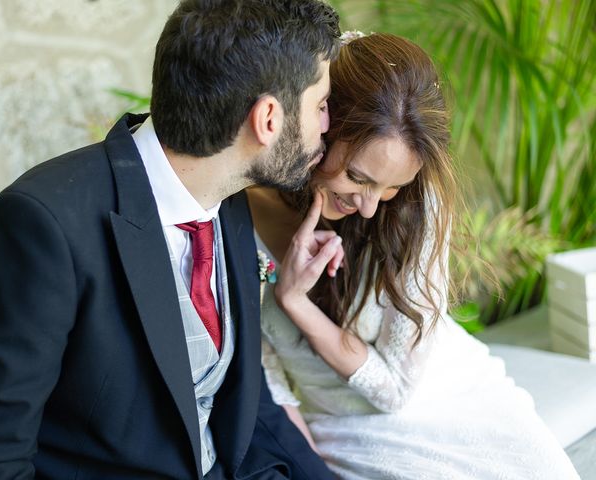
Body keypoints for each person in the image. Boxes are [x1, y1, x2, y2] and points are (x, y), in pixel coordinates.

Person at [0, 1, 345, 478]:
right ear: (268, 119)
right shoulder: (41, 227)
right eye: (321, 105)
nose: (327, 125)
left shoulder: (231, 202)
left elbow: (242, 402)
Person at [247, 32, 580, 479]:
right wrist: (310, 468)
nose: (368, 205)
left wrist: (296, 305)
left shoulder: (414, 210)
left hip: (437, 393)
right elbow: (272, 388)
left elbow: (395, 390)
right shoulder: (236, 217)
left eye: (390, 187)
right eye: (356, 176)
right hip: (337, 429)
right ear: (321, 122)